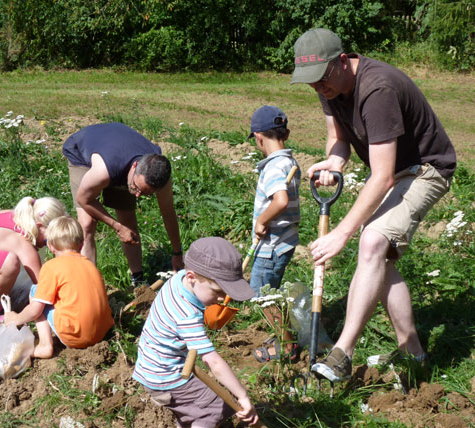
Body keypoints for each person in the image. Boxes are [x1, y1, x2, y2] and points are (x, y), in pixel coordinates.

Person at [290, 28, 456, 382]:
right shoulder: (330, 86)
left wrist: (340, 234)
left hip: (425, 169)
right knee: (380, 257)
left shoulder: (377, 89)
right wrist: (334, 163)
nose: (317, 88)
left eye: (321, 78)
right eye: (310, 82)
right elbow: (337, 139)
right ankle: (415, 355)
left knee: (371, 241)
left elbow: (380, 177)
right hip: (395, 170)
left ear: (341, 62)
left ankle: (342, 353)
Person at [132, 237, 259, 427]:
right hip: (165, 377)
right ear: (192, 277)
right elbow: (213, 362)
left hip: (151, 366)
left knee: (195, 408)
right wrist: (242, 396)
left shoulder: (179, 278)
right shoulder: (187, 315)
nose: (224, 298)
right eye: (217, 291)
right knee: (217, 408)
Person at [62, 122, 183, 286]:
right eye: (137, 188)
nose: (137, 195)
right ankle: (89, 286)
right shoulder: (103, 171)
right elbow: (84, 199)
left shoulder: (160, 177)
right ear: (135, 166)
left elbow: (168, 213)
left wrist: (177, 253)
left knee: (128, 218)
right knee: (87, 224)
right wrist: (116, 226)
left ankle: (138, 281)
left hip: (118, 154)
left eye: (145, 194)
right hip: (83, 151)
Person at [4, 216, 114, 358]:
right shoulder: (90, 265)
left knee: (36, 291)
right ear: (81, 245)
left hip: (75, 336)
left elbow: (35, 311)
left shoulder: (51, 267)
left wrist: (15, 319)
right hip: (102, 333)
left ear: (50, 246)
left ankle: (45, 345)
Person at [247, 105, 302, 364]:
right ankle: (284, 334)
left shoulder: (273, 168)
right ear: (286, 133)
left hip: (271, 245)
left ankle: (288, 344)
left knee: (262, 294)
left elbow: (279, 200)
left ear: (258, 137)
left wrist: (261, 220)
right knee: (270, 290)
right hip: (284, 240)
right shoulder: (288, 162)